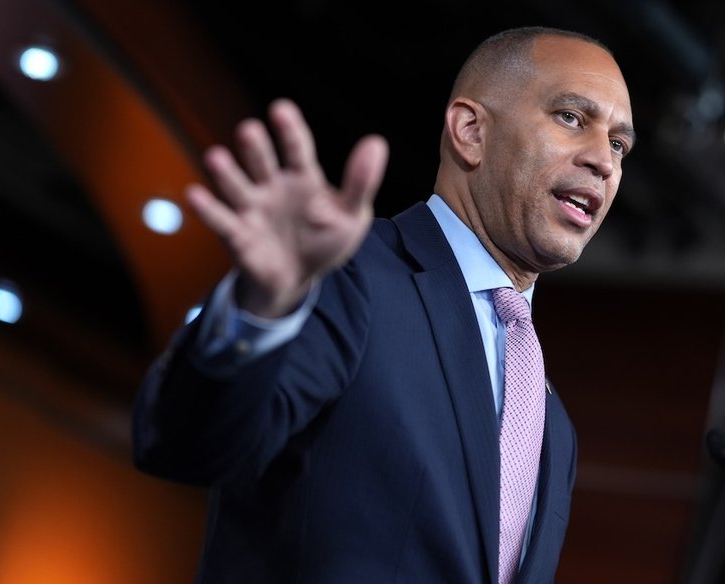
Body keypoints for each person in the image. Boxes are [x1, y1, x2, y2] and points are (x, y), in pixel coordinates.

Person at [132, 25, 635, 584]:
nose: (604, 161)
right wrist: (263, 308)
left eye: (618, 143)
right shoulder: (349, 278)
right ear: (470, 131)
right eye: (571, 117)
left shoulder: (553, 426)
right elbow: (186, 445)